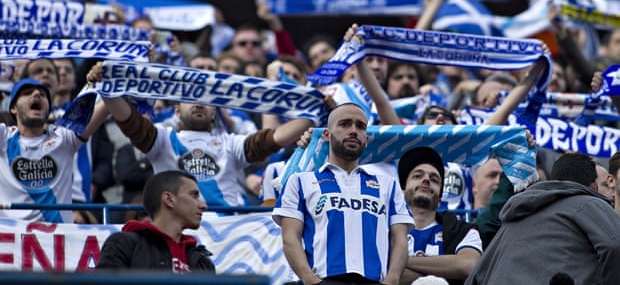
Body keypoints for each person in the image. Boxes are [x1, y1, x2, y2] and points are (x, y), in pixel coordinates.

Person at [87, 61, 316, 208]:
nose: (198, 104)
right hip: (177, 229)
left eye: (206, 100)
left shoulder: (231, 142)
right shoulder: (162, 140)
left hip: (227, 230)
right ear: (176, 109)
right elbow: (129, 121)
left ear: (215, 110)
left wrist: (316, 112)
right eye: (190, 99)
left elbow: (274, 139)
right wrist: (106, 88)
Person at [273, 103, 413, 285]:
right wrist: (310, 280)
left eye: (360, 126)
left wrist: (392, 280)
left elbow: (400, 239)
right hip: (324, 280)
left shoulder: (388, 185)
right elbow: (290, 237)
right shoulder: (300, 181)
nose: (353, 131)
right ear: (326, 134)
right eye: (345, 124)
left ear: (367, 139)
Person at [465, 152, 620, 284]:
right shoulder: (589, 202)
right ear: (593, 187)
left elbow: (478, 272)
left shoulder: (515, 216)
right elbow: (615, 245)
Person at [0, 78, 107, 222]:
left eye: (43, 95)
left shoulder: (64, 137)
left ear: (48, 109)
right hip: (12, 240)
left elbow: (106, 104)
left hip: (59, 240)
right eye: (27, 93)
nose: (37, 94)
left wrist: (107, 78)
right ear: (13, 107)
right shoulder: (3, 138)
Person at [96, 170, 216, 272]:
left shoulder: (203, 261)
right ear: (169, 199)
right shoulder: (124, 244)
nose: (203, 205)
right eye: (194, 195)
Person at [398, 146, 482, 285]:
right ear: (402, 191)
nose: (426, 180)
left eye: (434, 179)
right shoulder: (383, 229)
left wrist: (401, 261)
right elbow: (380, 273)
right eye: (417, 176)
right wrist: (446, 269)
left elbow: (469, 264)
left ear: (439, 200)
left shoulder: (462, 231)